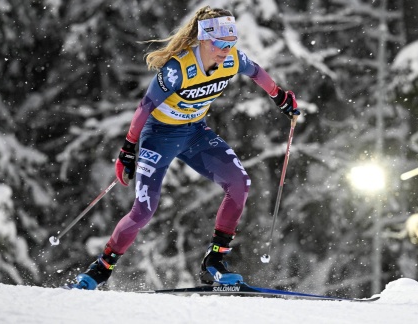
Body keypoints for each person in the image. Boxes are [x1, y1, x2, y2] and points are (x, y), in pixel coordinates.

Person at [70, 6, 300, 290]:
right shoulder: (177, 69)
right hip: (159, 136)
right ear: (203, 40)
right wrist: (128, 150)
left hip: (194, 134)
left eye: (230, 44)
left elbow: (257, 72)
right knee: (143, 211)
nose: (225, 51)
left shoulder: (231, 60)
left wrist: (280, 97)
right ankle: (99, 270)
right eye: (219, 44)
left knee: (240, 183)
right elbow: (145, 108)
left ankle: (214, 262)